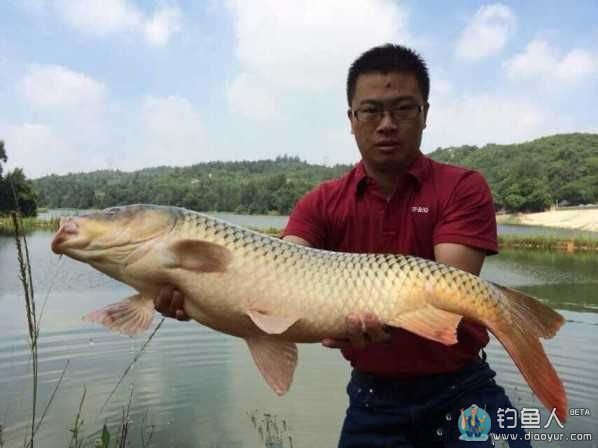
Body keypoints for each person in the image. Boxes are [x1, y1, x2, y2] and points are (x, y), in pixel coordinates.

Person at [155, 44, 530, 447]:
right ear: (351, 119)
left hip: (462, 390)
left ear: (425, 114)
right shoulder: (322, 202)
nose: (387, 124)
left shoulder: (461, 186)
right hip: (373, 399)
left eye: (403, 108)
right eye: (370, 111)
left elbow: (451, 291)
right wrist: (196, 292)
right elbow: (277, 274)